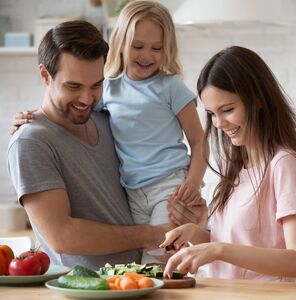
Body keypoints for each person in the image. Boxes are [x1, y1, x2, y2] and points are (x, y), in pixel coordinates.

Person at [11, 1, 208, 264]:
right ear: (45, 76)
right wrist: (152, 235)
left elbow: (192, 141)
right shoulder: (31, 140)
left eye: (96, 85)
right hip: (94, 287)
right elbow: (62, 236)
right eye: (73, 86)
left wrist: (191, 202)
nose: (86, 98)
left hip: (137, 280)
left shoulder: (105, 116)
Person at [160, 46, 296, 282]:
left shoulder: (283, 164)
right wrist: (198, 235)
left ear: (258, 100)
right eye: (212, 114)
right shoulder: (232, 166)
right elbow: (241, 245)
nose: (218, 123)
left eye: (227, 110)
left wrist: (217, 249)